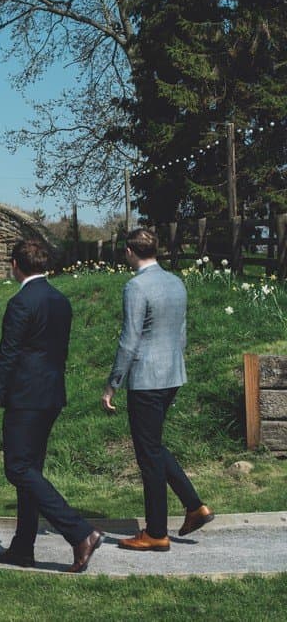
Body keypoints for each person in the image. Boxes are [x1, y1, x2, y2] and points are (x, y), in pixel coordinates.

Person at [0, 239, 103, 573]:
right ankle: (22, 548)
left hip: (26, 397)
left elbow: (9, 357)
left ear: (16, 264)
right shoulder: (61, 300)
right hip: (51, 395)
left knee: (17, 469)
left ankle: (80, 533)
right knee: (30, 471)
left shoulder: (20, 303)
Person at [103, 228, 214, 551]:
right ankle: (195, 507)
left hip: (146, 379)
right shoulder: (176, 282)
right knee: (153, 446)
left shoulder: (135, 287)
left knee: (148, 455)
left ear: (129, 252)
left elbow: (129, 340)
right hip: (172, 374)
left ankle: (156, 532)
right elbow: (181, 333)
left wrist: (112, 385)